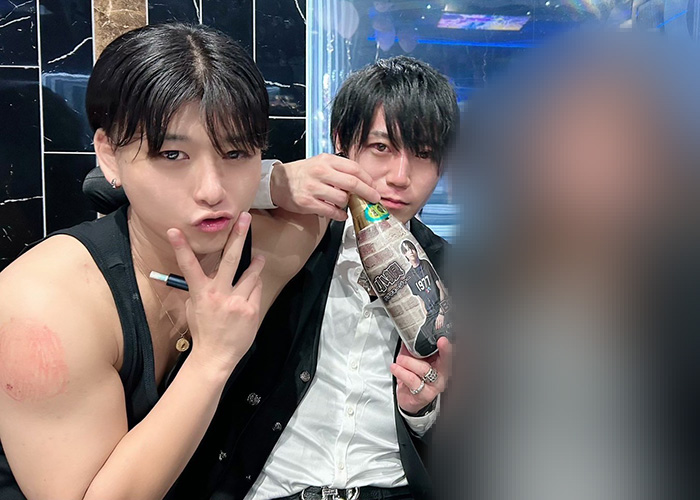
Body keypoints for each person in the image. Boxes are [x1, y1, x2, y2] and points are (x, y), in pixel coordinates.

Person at [0, 23, 337, 500]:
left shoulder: (262, 246)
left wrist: (272, 182)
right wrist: (212, 359)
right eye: (172, 154)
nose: (212, 190)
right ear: (109, 155)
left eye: (236, 152)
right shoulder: (43, 303)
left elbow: (329, 199)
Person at [168, 55, 459, 500]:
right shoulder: (287, 236)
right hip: (273, 488)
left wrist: (421, 410)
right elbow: (134, 193)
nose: (400, 177)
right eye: (381, 148)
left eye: (423, 154)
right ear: (342, 141)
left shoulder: (454, 273)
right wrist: (275, 181)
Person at [401, 240, 451, 356]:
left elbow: (441, 288)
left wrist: (442, 313)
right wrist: (427, 316)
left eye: (411, 248)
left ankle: (444, 332)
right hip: (430, 314)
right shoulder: (409, 276)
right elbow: (421, 299)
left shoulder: (425, 264)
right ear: (405, 254)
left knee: (444, 334)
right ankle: (439, 334)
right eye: (407, 250)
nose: (411, 252)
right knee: (420, 346)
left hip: (441, 307)